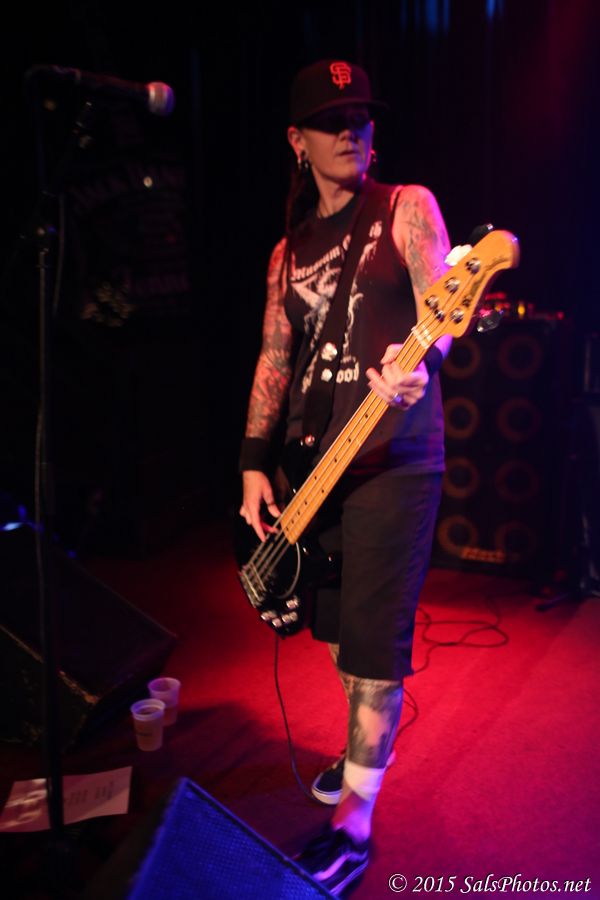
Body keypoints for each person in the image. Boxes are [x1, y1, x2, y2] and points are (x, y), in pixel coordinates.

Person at [239, 58, 452, 896]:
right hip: (313, 465)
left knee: (371, 640)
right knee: (331, 627)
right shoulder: (286, 251)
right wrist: (254, 463)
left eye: (359, 116)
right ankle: (364, 745)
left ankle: (353, 823)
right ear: (296, 140)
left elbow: (444, 310)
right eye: (330, 121)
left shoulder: (407, 207)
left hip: (394, 456)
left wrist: (423, 358)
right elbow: (274, 359)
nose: (349, 131)